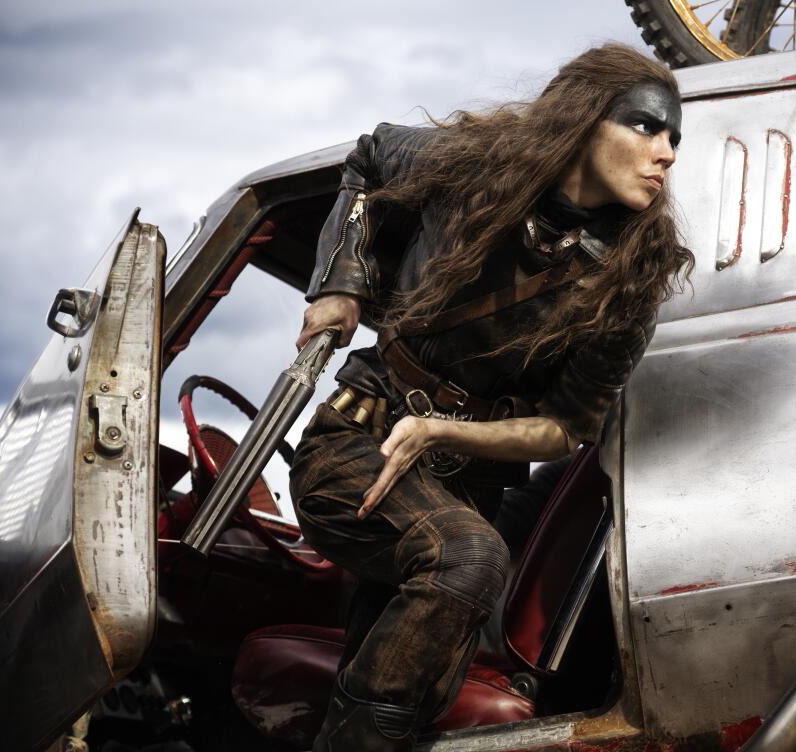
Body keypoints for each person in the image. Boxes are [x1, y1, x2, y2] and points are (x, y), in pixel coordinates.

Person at [289, 42, 692, 751]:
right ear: (585, 119)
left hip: (461, 485)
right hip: (359, 443)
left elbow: (565, 429)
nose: (665, 152)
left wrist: (443, 433)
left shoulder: (634, 274)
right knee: (469, 560)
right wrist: (339, 283)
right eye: (646, 127)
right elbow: (369, 155)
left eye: (673, 138)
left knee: (416, 685)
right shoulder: (471, 167)